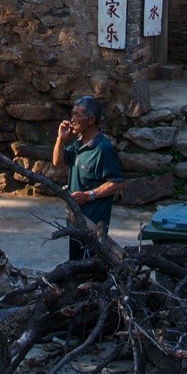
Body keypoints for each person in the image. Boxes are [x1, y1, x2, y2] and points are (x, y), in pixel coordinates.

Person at [53, 95, 121, 260]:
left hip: (94, 225)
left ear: (90, 119)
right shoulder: (79, 143)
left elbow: (116, 183)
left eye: (77, 115)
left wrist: (88, 195)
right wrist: (61, 140)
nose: (72, 119)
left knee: (91, 266)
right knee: (76, 263)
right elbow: (58, 162)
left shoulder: (102, 149)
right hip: (76, 219)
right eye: (72, 114)